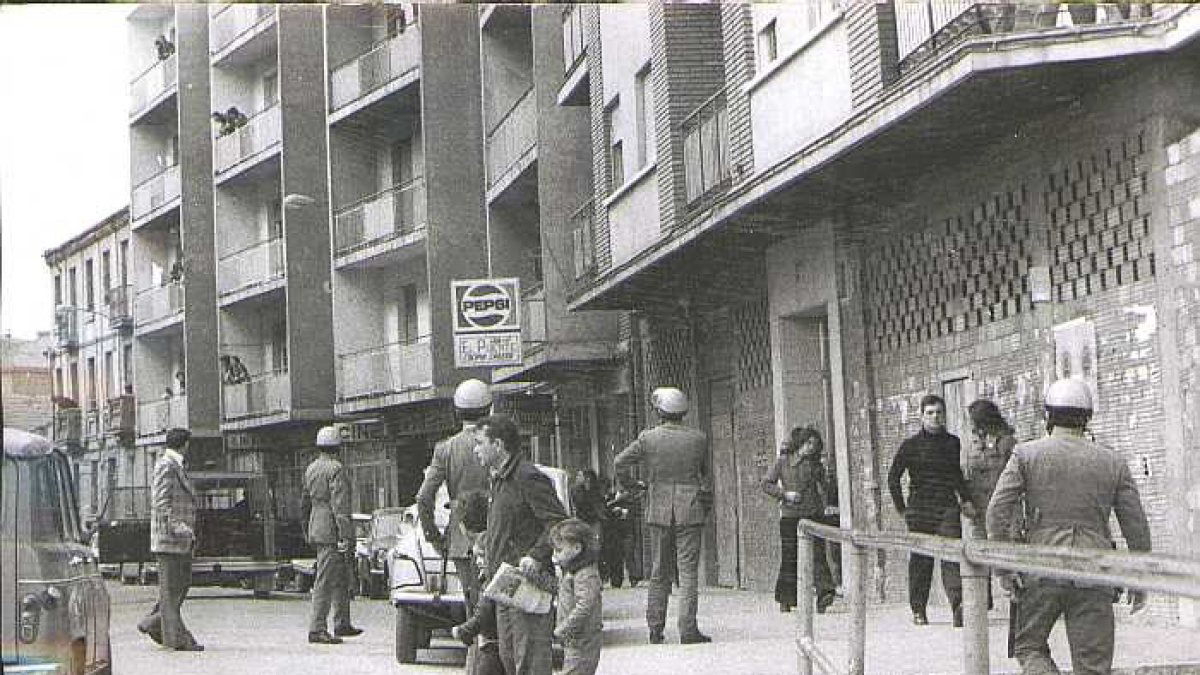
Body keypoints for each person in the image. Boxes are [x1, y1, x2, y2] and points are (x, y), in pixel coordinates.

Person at [988, 378, 1152, 675]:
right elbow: (1135, 524)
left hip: (1040, 568)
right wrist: (1140, 576)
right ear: (1087, 417)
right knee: (1093, 665)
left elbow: (996, 512)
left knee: (1029, 646)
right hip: (1095, 570)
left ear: (1048, 415)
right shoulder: (1112, 461)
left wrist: (1004, 568)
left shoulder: (1025, 455)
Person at [614, 386, 712, 645]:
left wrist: (634, 486)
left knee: (659, 571)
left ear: (659, 411)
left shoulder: (648, 438)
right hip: (690, 509)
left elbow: (619, 462)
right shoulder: (698, 439)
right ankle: (688, 629)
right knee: (688, 572)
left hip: (658, 508)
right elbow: (704, 473)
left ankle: (655, 628)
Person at [474, 414, 568, 675]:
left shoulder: (527, 476)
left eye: (480, 442)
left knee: (530, 659)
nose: (476, 449)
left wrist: (537, 555)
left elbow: (558, 523)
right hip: (505, 582)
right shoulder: (499, 479)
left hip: (527, 582)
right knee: (509, 657)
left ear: (498, 445)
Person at [887, 393, 977, 627]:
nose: (935, 417)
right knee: (921, 559)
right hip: (919, 510)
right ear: (921, 416)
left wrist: (965, 500)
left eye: (939, 413)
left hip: (947, 506)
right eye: (930, 413)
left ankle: (958, 605)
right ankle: (918, 609)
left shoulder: (952, 442)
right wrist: (901, 508)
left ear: (944, 415)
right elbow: (893, 477)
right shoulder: (910, 445)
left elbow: (956, 475)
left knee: (952, 554)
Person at [417, 379, 493, 619]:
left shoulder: (445, 449)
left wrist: (434, 537)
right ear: (489, 408)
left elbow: (424, 497)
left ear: (457, 412)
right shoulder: (501, 443)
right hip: (499, 531)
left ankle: (478, 650)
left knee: (473, 602)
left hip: (461, 537)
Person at [137, 428, 204, 651]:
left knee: (178, 588)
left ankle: (152, 623)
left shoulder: (176, 465)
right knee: (172, 591)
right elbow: (161, 503)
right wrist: (178, 528)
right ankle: (178, 639)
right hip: (170, 539)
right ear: (185, 444)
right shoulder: (166, 465)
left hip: (179, 540)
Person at [762, 426, 836, 614]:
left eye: (814, 444)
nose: (811, 447)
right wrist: (785, 494)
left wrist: (826, 477)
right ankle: (786, 598)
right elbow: (766, 483)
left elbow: (825, 488)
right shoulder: (783, 462)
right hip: (790, 516)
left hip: (813, 514)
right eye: (808, 443)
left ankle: (824, 593)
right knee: (790, 557)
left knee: (818, 554)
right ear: (800, 443)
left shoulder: (815, 465)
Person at [302, 425, 362, 644]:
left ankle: (342, 622)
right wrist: (346, 534)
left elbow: (305, 501)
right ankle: (317, 628)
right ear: (338, 446)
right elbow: (340, 506)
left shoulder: (311, 468)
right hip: (331, 528)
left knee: (339, 577)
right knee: (326, 580)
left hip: (317, 524)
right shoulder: (336, 469)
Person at [964, 398, 1018, 610]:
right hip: (979, 506)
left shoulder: (1007, 442)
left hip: (1003, 507)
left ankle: (1014, 596)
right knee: (978, 552)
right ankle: (980, 602)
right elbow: (966, 473)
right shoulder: (974, 444)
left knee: (1007, 550)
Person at [450, 490, 505, 675]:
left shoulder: (483, 550)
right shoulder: (493, 543)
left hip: (490, 639)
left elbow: (486, 599)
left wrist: (467, 629)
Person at [551, 518, 604, 675]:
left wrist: (562, 629)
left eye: (559, 550)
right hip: (576, 639)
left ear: (576, 548)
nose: (555, 555)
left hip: (582, 639)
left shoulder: (585, 574)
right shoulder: (573, 572)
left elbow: (584, 606)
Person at [601, 479, 644, 588]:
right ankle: (616, 580)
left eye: (623, 486)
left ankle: (634, 578)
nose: (621, 488)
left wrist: (624, 512)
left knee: (629, 554)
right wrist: (613, 510)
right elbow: (604, 510)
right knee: (615, 556)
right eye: (619, 485)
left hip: (627, 530)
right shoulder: (610, 497)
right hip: (614, 531)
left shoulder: (631, 498)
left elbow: (635, 511)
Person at [570, 469, 606, 557]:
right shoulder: (576, 490)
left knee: (595, 548)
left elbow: (600, 508)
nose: (577, 478)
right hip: (581, 522)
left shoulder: (595, 491)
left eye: (579, 475)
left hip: (593, 523)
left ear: (587, 478)